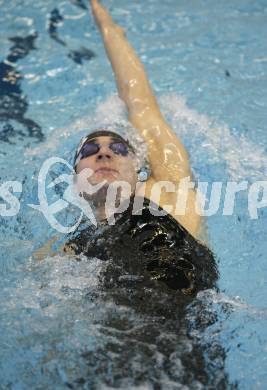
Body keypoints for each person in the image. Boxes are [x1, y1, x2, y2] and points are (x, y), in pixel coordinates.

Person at [60, 0, 218, 295]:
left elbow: (140, 101)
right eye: (90, 150)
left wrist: (106, 25)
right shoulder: (74, 250)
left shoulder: (167, 188)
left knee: (138, 212)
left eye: (118, 148)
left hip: (186, 308)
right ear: (76, 183)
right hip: (125, 332)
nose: (103, 153)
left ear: (138, 167)